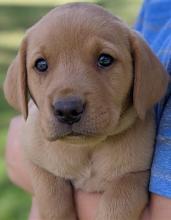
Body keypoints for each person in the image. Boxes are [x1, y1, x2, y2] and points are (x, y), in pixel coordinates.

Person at [5, 0, 171, 219]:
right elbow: (29, 153)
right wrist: (54, 205)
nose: (67, 106)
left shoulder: (143, 140)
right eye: (42, 65)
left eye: (104, 60)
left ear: (138, 70)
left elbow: (140, 178)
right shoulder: (37, 140)